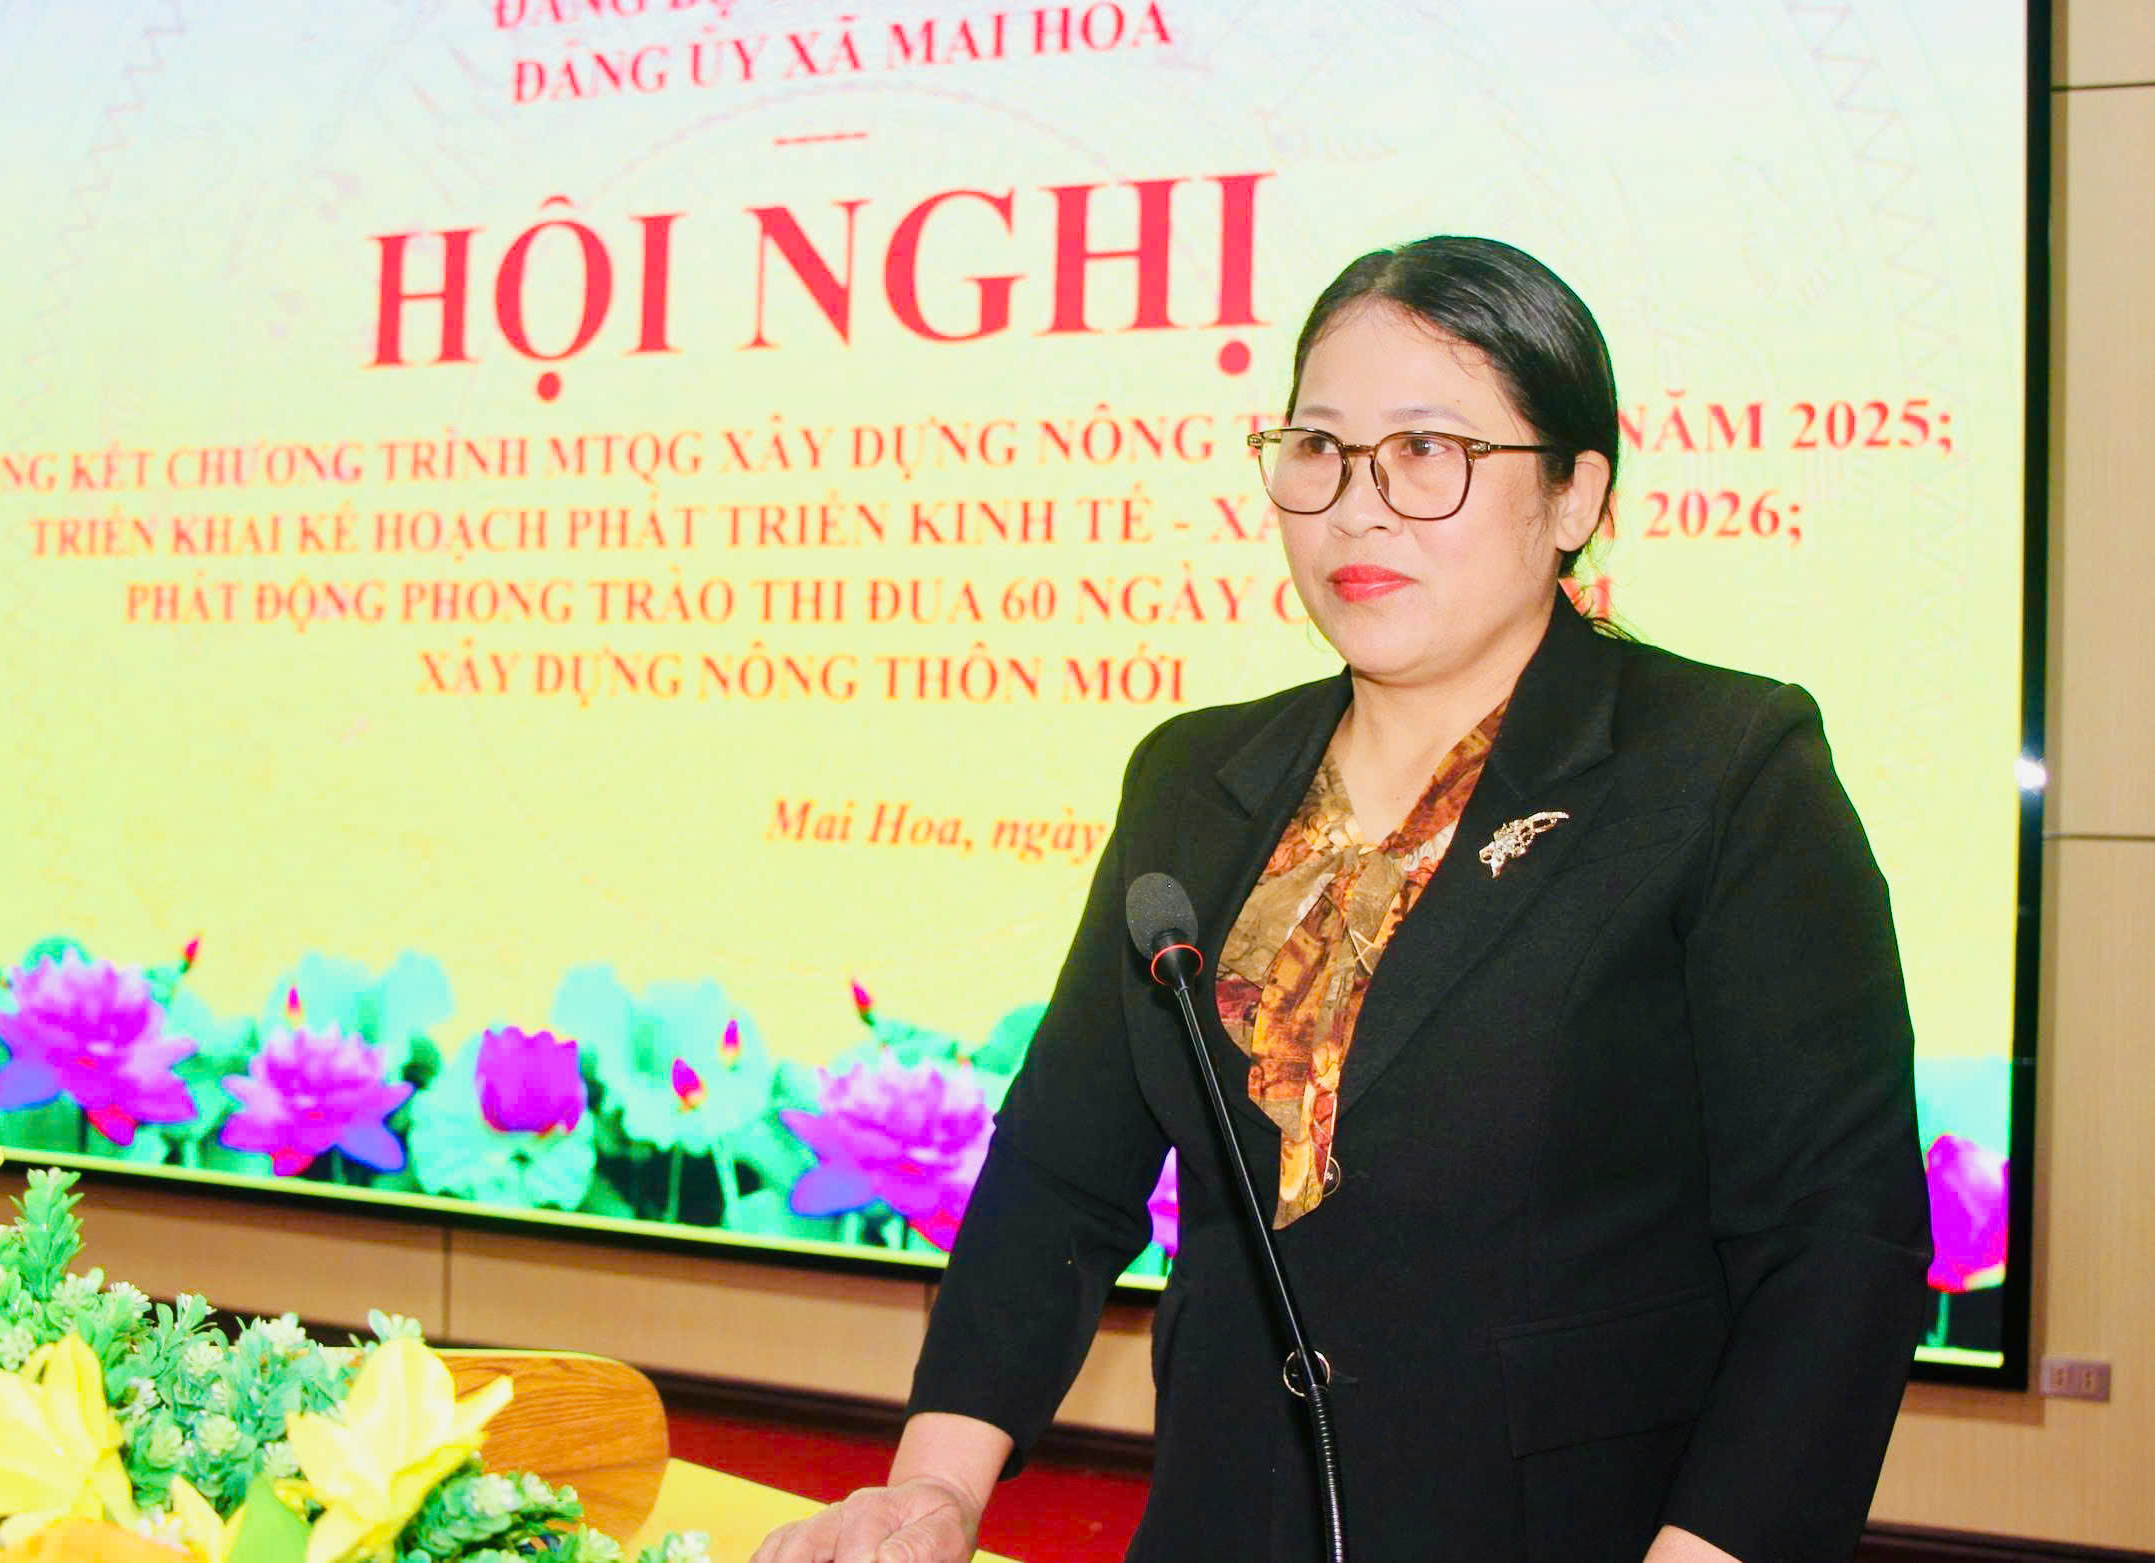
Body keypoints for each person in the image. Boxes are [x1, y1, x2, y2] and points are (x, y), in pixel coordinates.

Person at [753, 237, 1931, 1563]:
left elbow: (1839, 1242)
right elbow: (1061, 1177)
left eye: (1427, 451)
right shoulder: (1195, 779)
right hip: (1221, 1521)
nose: (1356, 509)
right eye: (1318, 448)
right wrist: (936, 1485)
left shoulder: (1722, 771)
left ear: (1574, 495)